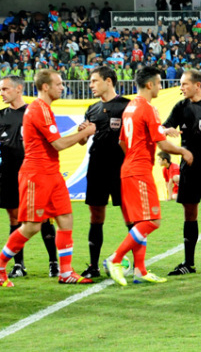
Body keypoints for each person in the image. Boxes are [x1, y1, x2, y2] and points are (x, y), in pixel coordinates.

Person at [0, 70, 97, 288]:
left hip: (51, 173)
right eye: (59, 84)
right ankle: (0, 266)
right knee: (31, 226)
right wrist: (86, 132)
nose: (62, 87)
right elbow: (59, 144)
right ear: (45, 86)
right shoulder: (38, 109)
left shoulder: (42, 109)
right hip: (37, 174)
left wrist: (82, 134)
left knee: (65, 219)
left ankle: (65, 272)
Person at [105, 66, 193, 287]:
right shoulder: (147, 108)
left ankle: (139, 270)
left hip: (128, 168)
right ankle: (115, 259)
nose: (161, 87)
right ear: (149, 84)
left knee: (140, 221)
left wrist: (134, 157)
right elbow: (161, 143)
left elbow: (122, 143)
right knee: (152, 220)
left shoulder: (129, 108)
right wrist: (183, 151)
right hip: (139, 171)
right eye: (159, 82)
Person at [162, 69, 201, 277]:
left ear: (197, 85)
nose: (181, 88)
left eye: (184, 84)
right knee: (189, 212)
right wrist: (166, 130)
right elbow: (162, 128)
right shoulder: (181, 106)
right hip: (188, 169)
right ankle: (188, 263)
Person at [0, 76, 59, 279]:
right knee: (14, 219)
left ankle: (54, 263)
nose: (2, 93)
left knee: (43, 218)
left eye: (5, 89)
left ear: (18, 89)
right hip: (8, 174)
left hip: (35, 174)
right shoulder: (1, 116)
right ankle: (18, 265)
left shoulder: (35, 111)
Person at [79, 66, 130, 279]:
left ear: (108, 81)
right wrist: (82, 133)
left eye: (94, 81)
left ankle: (140, 265)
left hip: (121, 168)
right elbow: (83, 141)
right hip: (97, 167)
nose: (91, 85)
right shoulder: (92, 109)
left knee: (130, 216)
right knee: (96, 215)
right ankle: (93, 266)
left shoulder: (127, 106)